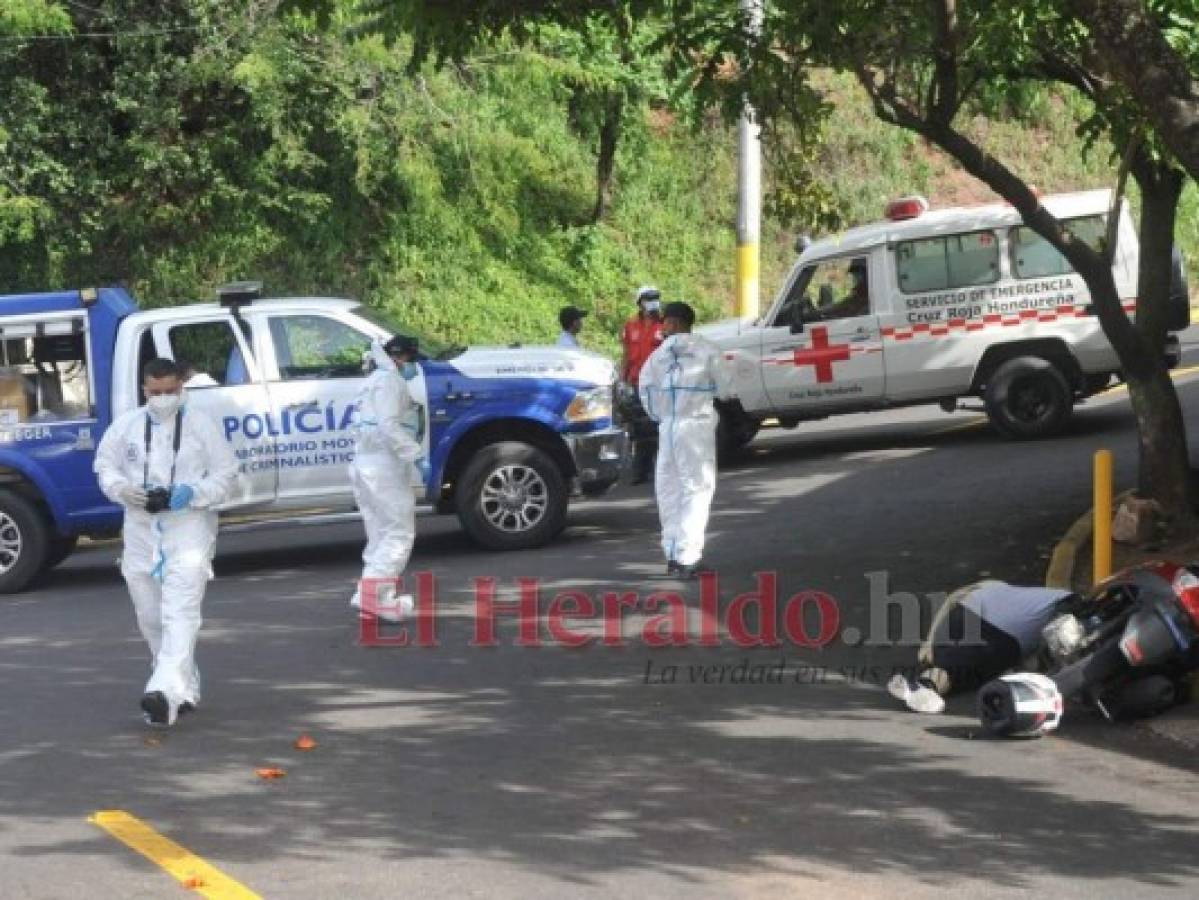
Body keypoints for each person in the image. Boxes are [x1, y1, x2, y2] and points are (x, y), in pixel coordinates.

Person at [94, 358, 239, 727]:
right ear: (144, 390)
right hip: (140, 529)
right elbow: (104, 467)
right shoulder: (125, 427)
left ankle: (161, 693)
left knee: (180, 611)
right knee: (150, 616)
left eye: (170, 391)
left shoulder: (200, 426)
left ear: (181, 388)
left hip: (188, 525)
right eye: (155, 392)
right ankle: (182, 687)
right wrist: (123, 489)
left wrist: (194, 492)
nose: (162, 398)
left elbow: (227, 473)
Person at [639, 301, 733, 579]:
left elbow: (645, 389)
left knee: (669, 490)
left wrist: (662, 415)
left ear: (676, 323)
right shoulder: (707, 349)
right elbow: (726, 389)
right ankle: (688, 557)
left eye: (665, 321)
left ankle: (672, 554)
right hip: (695, 427)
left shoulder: (657, 357)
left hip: (668, 429)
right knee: (697, 489)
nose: (662, 326)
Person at [887, 580, 1074, 714]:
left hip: (966, 612)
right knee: (959, 669)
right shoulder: (1066, 602)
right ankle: (924, 686)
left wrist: (929, 641)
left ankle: (926, 683)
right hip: (1004, 636)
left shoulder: (996, 587)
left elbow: (954, 597)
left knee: (957, 666)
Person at [348, 334, 425, 623]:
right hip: (383, 467)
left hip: (365, 464)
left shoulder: (373, 380)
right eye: (412, 360)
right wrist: (416, 455)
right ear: (402, 357)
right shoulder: (390, 381)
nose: (414, 368)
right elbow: (389, 426)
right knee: (398, 533)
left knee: (380, 534)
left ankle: (376, 598)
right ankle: (370, 595)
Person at [620, 286, 665, 484]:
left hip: (659, 383)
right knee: (640, 428)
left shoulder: (664, 325)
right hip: (637, 382)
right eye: (648, 298)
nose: (653, 301)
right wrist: (622, 379)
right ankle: (641, 470)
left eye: (656, 298)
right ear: (639, 302)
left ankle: (661, 469)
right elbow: (626, 354)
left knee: (659, 427)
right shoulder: (631, 326)